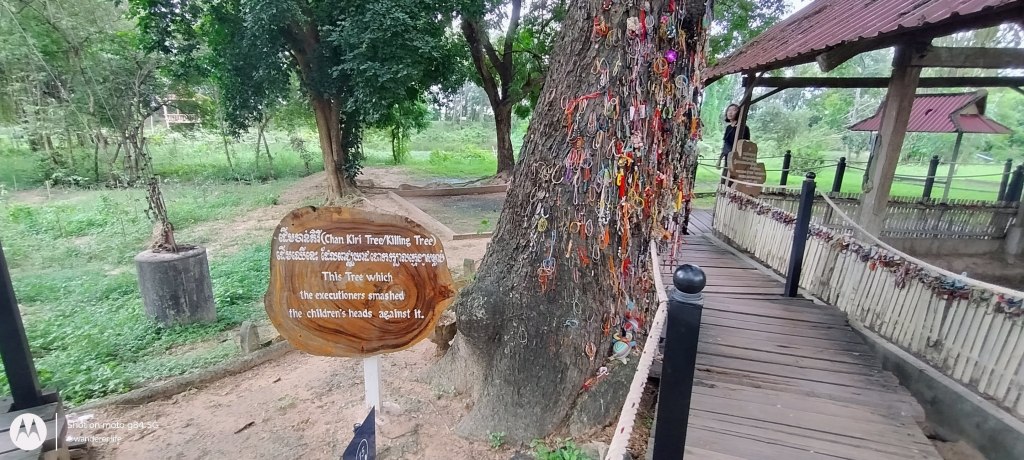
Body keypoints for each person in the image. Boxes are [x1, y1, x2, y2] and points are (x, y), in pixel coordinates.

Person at [718, 103, 750, 168]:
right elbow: (726, 145)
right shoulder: (728, 128)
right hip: (728, 159)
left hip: (739, 161)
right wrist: (720, 159)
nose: (730, 112)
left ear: (739, 113)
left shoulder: (744, 128)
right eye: (729, 110)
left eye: (734, 110)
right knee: (725, 176)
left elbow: (746, 146)